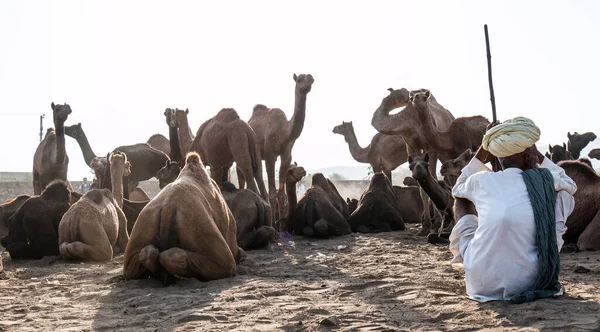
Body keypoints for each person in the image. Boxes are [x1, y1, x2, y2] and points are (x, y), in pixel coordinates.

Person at [449, 116, 576, 303]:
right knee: (565, 196)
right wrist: (538, 156)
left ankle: (466, 258)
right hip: (529, 281)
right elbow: (570, 185)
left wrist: (485, 146)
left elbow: (458, 187)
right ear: (528, 156)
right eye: (533, 150)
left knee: (461, 199)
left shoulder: (480, 181)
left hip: (480, 283)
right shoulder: (546, 177)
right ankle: (548, 253)